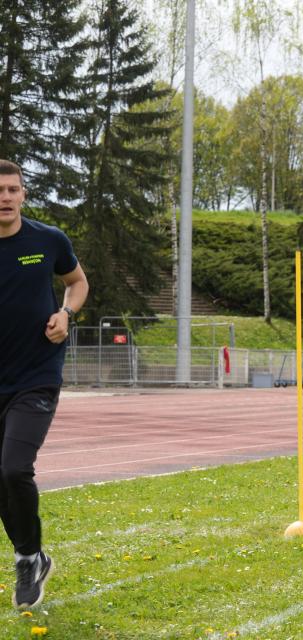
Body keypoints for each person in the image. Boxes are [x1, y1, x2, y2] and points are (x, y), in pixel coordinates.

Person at [0, 159, 89, 609]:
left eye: (12, 190)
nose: (5, 198)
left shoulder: (48, 240)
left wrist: (66, 314)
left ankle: (26, 558)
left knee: (15, 469)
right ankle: (30, 557)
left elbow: (77, 282)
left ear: (23, 194)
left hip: (36, 375)